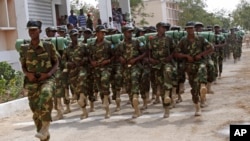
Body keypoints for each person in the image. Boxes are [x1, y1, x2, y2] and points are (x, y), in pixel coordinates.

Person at [19, 20, 59, 141]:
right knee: (36, 111)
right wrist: (27, 74)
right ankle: (43, 135)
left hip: (47, 79)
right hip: (32, 82)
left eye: (34, 29)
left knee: (46, 94)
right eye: (30, 30)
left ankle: (45, 128)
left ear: (40, 31)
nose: (32, 32)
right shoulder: (24, 48)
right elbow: (23, 65)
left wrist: (48, 74)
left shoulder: (48, 46)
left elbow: (56, 62)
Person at [174, 21, 213, 116]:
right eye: (188, 28)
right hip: (189, 65)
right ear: (186, 30)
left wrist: (201, 54)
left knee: (203, 69)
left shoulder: (201, 39)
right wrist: (186, 56)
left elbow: (211, 48)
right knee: (194, 88)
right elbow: (176, 53)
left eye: (192, 28)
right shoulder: (183, 41)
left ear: (194, 29)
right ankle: (197, 107)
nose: (190, 30)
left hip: (200, 62)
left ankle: (203, 86)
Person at [117, 26, 147, 118]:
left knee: (135, 83)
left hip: (136, 67)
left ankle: (138, 106)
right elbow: (117, 54)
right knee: (128, 88)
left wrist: (136, 59)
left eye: (131, 32)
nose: (130, 33)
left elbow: (145, 53)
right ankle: (135, 105)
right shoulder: (120, 44)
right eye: (128, 32)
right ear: (124, 33)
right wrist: (120, 58)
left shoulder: (137, 41)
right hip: (125, 68)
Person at [147, 22, 175, 118]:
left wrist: (170, 58)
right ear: (158, 28)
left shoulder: (169, 39)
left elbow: (174, 50)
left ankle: (168, 99)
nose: (165, 29)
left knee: (167, 75)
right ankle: (166, 107)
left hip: (166, 63)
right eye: (163, 27)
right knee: (161, 87)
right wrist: (150, 59)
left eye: (165, 28)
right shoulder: (152, 39)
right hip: (156, 65)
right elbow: (149, 51)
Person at [62, 29, 89, 119]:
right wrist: (68, 64)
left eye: (76, 35)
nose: (75, 37)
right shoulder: (67, 49)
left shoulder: (83, 46)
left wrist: (83, 60)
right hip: (72, 72)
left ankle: (83, 98)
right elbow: (63, 61)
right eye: (73, 35)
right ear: (70, 36)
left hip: (82, 69)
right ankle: (84, 111)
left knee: (81, 85)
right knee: (77, 92)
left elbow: (88, 56)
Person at [88, 25, 113, 118]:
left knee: (104, 80)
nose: (103, 34)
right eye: (101, 32)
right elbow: (89, 55)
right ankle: (105, 100)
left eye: (103, 33)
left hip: (106, 68)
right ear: (97, 33)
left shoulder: (108, 43)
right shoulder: (91, 45)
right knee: (100, 87)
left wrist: (108, 61)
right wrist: (92, 61)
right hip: (96, 68)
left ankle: (107, 108)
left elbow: (113, 55)